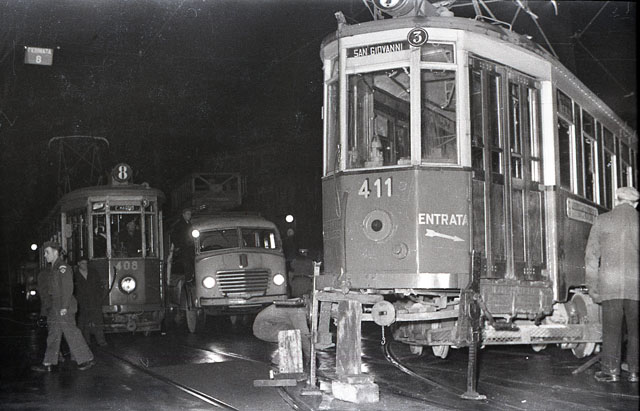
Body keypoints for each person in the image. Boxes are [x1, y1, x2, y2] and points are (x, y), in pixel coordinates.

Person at [585, 186, 639, 383]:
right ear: (636, 204)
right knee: (636, 331)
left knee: (611, 329)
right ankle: (635, 371)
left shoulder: (602, 220)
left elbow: (591, 257)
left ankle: (611, 371)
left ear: (616, 200)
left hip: (610, 284)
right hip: (636, 285)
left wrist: (593, 288)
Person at [31, 241, 94, 372]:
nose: (45, 255)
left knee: (71, 332)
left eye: (47, 252)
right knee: (53, 334)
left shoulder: (63, 267)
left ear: (55, 252)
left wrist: (64, 307)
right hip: (55, 306)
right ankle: (48, 362)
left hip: (63, 306)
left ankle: (86, 359)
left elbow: (67, 287)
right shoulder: (54, 268)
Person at [253, 296, 311, 366]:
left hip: (264, 325)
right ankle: (278, 363)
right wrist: (310, 356)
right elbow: (304, 335)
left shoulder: (296, 303)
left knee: (293, 333)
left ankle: (277, 362)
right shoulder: (298, 310)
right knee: (294, 336)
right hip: (263, 328)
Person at [74, 258, 107, 347]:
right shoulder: (75, 275)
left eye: (86, 263)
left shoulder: (93, 273)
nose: (85, 265)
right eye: (82, 263)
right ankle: (86, 342)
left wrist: (99, 297)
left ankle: (101, 341)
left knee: (98, 321)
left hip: (94, 301)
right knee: (84, 322)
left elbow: (99, 286)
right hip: (82, 303)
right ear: (78, 264)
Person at [171, 208, 195, 279]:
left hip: (189, 247)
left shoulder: (189, 224)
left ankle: (190, 277)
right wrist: (178, 246)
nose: (189, 216)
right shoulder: (179, 224)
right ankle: (188, 278)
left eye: (190, 214)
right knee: (186, 264)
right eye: (188, 214)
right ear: (183, 215)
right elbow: (174, 236)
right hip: (183, 247)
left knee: (190, 263)